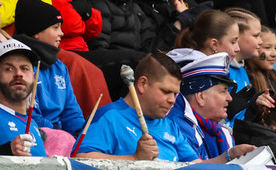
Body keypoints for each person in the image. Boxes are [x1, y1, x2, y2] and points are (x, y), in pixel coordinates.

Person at [74, 51, 252, 162]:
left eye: (175, 94)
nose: (172, 100)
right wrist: (134, 158)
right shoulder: (109, 117)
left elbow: (195, 168)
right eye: (166, 91)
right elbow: (80, 160)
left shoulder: (169, 125)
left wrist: (229, 156)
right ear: (142, 84)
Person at [12, 0, 85, 135]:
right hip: (36, 135)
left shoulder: (59, 67)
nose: (61, 33)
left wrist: (80, 132)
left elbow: (71, 111)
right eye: (55, 28)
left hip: (61, 134)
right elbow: (29, 115)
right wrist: (60, 134)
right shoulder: (21, 66)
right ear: (36, 32)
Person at [168, 52, 241, 160]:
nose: (230, 98)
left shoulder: (220, 132)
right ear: (200, 97)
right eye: (223, 91)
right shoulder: (178, 127)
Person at [245, 25, 276, 94]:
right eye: (267, 48)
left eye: (275, 48)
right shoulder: (245, 79)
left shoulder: (273, 76)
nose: (275, 54)